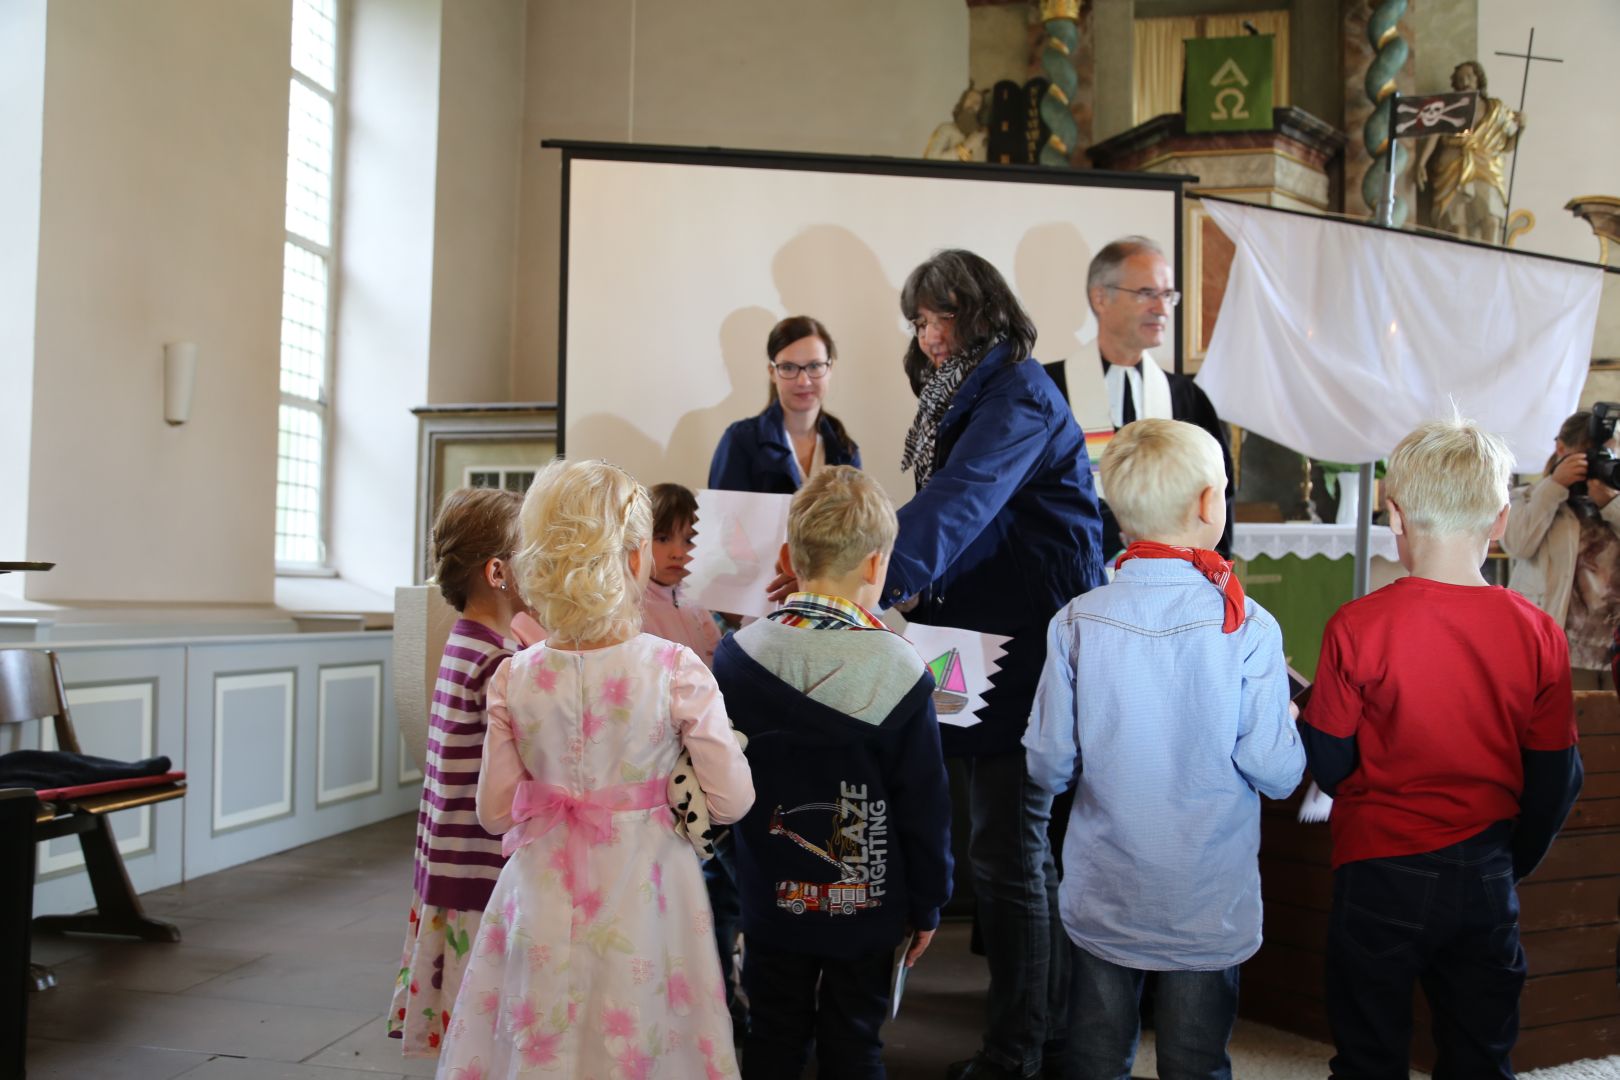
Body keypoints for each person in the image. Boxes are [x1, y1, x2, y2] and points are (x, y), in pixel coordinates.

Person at [768, 250, 1103, 1079]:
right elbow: (955, 517)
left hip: (1026, 638)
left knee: (1011, 849)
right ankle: (1040, 1034)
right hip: (984, 633)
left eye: (943, 316)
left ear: (984, 311)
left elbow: (960, 504)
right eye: (920, 320)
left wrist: (856, 579)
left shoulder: (1017, 394)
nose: (930, 335)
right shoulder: (967, 394)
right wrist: (863, 573)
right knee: (1007, 848)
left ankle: (1021, 1051)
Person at [436, 459, 754, 1079]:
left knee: (545, 1033)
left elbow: (494, 813)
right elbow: (732, 800)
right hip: (649, 887)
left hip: (543, 885)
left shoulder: (514, 675)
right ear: (635, 559)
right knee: (643, 1024)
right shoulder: (676, 668)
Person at [1301, 417, 1584, 1079]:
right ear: (1500, 520)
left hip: (1378, 867)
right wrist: (1508, 859)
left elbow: (1330, 761)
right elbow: (1555, 778)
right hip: (1485, 866)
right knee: (1481, 1053)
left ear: (1394, 514)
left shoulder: (1357, 624)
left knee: (1369, 1053)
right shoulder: (1539, 633)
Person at [1024, 419, 1304, 1080]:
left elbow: (1047, 764)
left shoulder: (1076, 621)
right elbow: (1276, 772)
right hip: (1206, 895)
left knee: (1094, 1056)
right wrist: (1288, 723)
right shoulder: (1248, 626)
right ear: (1210, 503)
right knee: (1196, 1062)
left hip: (1107, 888)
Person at [714, 465, 953, 1079]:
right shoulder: (901, 670)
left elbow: (718, 785)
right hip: (868, 912)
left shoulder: (735, 659)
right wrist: (929, 904)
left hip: (770, 902)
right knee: (855, 1044)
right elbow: (924, 806)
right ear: (876, 566)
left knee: (772, 1036)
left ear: (788, 558)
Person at [388, 487, 530, 1057]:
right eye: (534, 552)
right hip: (475, 874)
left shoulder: (467, 643)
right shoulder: (497, 663)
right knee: (484, 1037)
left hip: (448, 866)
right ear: (498, 572)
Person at [1080, 236, 1233, 559]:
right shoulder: (1051, 390)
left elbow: (1221, 495)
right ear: (1100, 298)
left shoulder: (1187, 399)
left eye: (1167, 295)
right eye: (1146, 293)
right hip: (1076, 578)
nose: (1162, 309)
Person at [1499, 411, 1620, 690]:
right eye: (1590, 457)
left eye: (1609, 456)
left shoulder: (1614, 500)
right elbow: (1517, 544)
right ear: (1562, 449)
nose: (1601, 463)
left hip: (1613, 652)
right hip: (1560, 649)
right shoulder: (1529, 497)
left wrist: (1610, 503)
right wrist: (1554, 486)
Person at [709, 315, 861, 494]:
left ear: (829, 369)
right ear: (772, 372)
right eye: (788, 367)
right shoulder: (740, 441)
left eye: (814, 366)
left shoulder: (845, 449)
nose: (803, 381)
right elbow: (722, 511)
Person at [1415, 61, 1524, 245]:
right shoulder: (1449, 106)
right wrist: (1421, 162)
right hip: (1453, 164)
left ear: (1478, 79)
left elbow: (1506, 146)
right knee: (1457, 221)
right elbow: (1436, 133)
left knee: (1491, 217)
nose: (1465, 82)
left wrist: (1521, 129)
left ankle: (1491, 257)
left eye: (1469, 76)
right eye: (1460, 79)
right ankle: (1460, 258)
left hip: (1486, 165)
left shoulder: (1495, 108)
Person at [642, 482, 723, 668]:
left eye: (689, 540)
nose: (678, 553)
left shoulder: (696, 602)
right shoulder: (631, 611)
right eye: (663, 539)